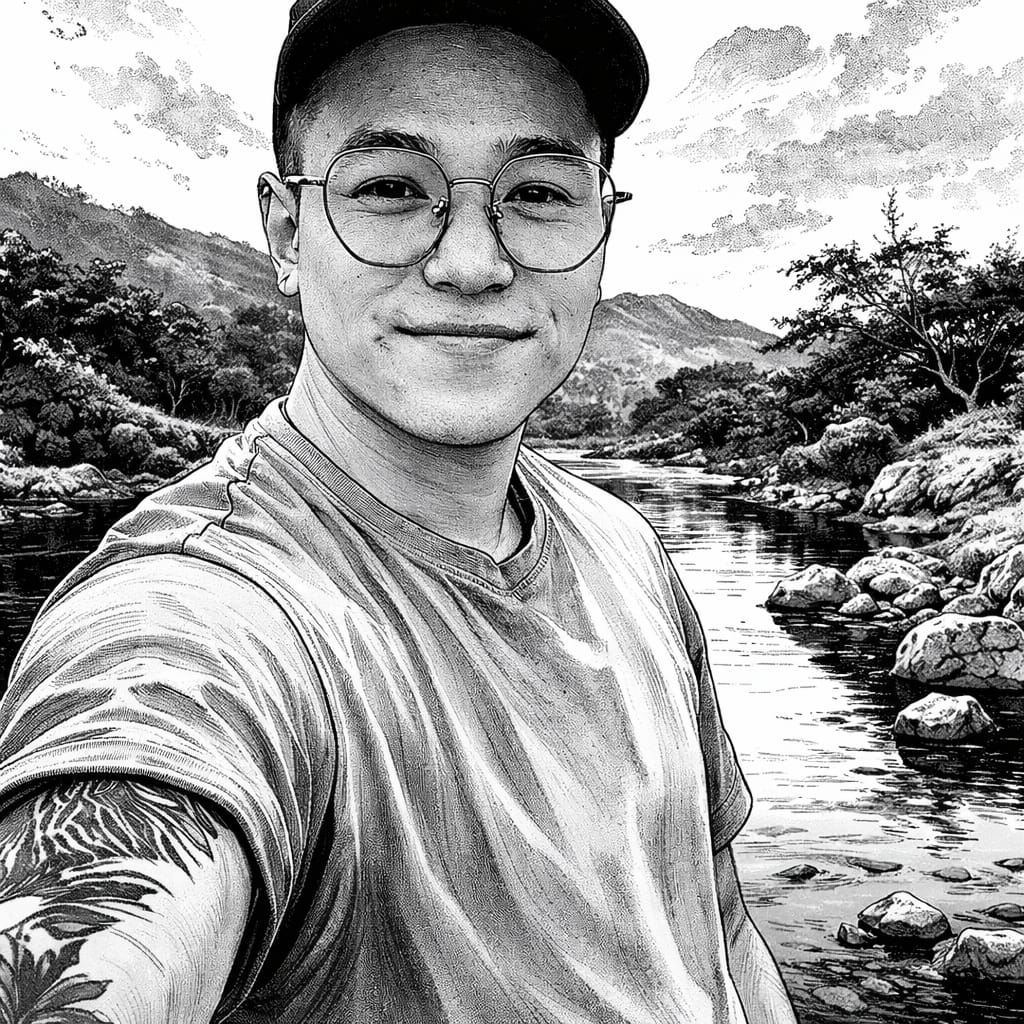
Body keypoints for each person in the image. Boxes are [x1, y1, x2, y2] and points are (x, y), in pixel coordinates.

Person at [0, 1, 798, 1021]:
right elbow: (105, 895)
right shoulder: (202, 617)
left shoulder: (627, 545)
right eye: (389, 187)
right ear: (286, 231)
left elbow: (719, 927)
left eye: (539, 192)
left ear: (602, 226)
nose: (472, 263)